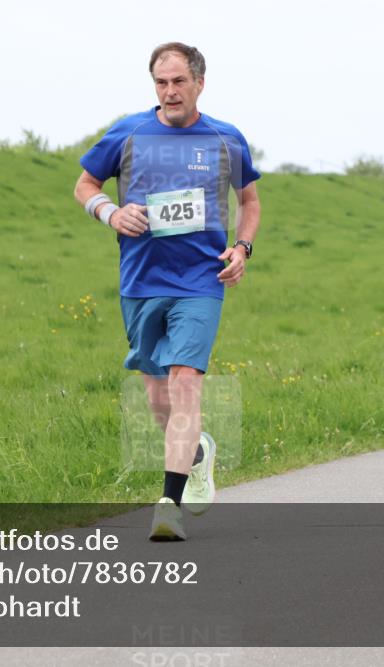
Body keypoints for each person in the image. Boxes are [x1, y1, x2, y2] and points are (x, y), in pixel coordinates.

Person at [73, 42, 261, 539]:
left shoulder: (226, 138)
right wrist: (111, 213)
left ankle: (167, 506)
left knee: (185, 383)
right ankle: (197, 453)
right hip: (140, 280)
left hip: (201, 280)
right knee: (158, 396)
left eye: (179, 81)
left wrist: (242, 248)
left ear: (200, 83)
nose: (170, 91)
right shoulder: (129, 132)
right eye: (162, 82)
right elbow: (85, 184)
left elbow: (250, 202)